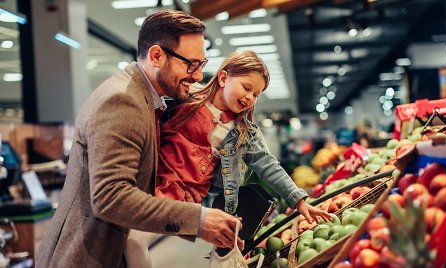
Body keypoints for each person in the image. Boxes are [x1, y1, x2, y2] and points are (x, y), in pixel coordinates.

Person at [36, 10, 242, 268]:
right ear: (157, 56)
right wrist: (198, 220)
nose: (198, 75)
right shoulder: (123, 102)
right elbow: (110, 197)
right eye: (191, 64)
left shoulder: (146, 100)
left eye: (201, 64)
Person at [125, 50, 331, 267]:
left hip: (194, 203)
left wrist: (299, 200)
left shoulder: (244, 133)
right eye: (246, 88)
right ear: (223, 78)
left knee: (146, 243)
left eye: (256, 94)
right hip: (154, 185)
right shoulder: (184, 102)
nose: (250, 98)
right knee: (133, 239)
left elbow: (269, 165)